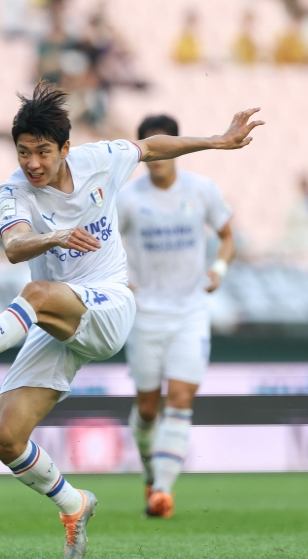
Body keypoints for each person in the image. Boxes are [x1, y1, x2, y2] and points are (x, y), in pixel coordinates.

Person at [0, 81, 263, 559]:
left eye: (43, 152)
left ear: (66, 149)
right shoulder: (13, 190)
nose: (32, 163)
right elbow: (13, 246)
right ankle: (74, 504)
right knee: (5, 439)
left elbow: (153, 147)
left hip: (109, 303)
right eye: (24, 152)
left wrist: (217, 140)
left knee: (37, 295)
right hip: (55, 318)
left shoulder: (100, 159)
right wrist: (54, 237)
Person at [117, 115, 235, 519]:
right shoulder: (127, 198)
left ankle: (163, 492)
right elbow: (103, 243)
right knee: (148, 408)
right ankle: (152, 475)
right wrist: (120, 279)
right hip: (145, 315)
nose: (159, 156)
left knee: (181, 399)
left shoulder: (202, 190)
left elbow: (227, 236)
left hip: (190, 311)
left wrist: (218, 270)